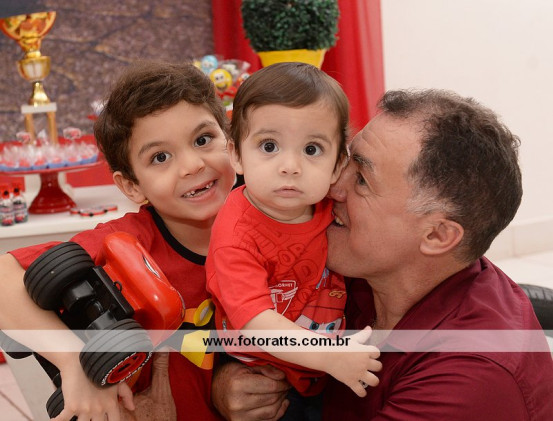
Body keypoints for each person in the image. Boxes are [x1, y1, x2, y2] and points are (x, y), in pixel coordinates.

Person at [212, 88, 553, 420]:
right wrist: (226, 381)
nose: (331, 185)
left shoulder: (466, 382)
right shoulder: (358, 264)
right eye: (343, 160)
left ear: (437, 235)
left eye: (361, 179)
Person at [0, 61, 237, 421]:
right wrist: (74, 361)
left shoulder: (277, 219)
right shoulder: (126, 243)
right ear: (131, 186)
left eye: (203, 140)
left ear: (230, 141)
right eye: (160, 157)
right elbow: (4, 278)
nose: (192, 165)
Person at [205, 62, 381, 420]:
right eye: (269, 145)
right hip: (266, 374)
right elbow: (255, 322)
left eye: (312, 149)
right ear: (236, 155)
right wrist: (330, 356)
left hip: (323, 363)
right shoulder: (236, 235)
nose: (290, 166)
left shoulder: (327, 204)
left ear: (337, 165)